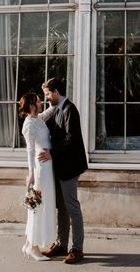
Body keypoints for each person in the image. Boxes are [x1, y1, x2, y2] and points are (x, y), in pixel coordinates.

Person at [38, 78, 88, 265]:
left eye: (48, 94)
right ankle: (61, 243)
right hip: (58, 167)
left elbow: (71, 138)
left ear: (56, 91)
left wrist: (52, 154)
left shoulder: (70, 110)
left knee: (72, 207)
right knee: (62, 207)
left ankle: (77, 248)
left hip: (69, 167)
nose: (47, 98)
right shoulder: (57, 109)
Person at [19, 92, 57, 261]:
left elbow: (53, 109)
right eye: (39, 100)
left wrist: (46, 93)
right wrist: (31, 174)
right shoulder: (29, 124)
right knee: (38, 207)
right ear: (33, 104)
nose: (41, 102)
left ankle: (28, 244)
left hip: (47, 167)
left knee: (42, 205)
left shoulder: (38, 119)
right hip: (40, 169)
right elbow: (30, 151)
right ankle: (34, 247)